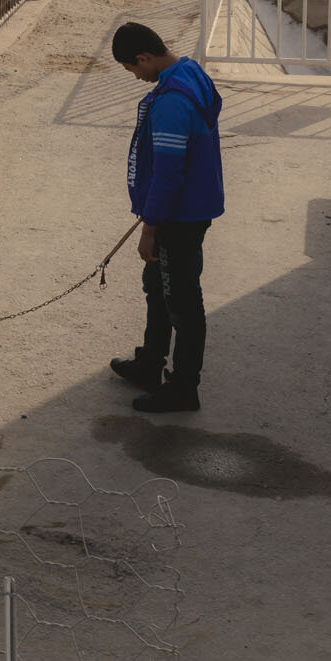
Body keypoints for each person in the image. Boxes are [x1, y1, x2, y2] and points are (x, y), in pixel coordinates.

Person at [110, 21, 223, 413]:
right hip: (187, 208)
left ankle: (182, 387)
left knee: (183, 302)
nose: (137, 77)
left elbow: (169, 171)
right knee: (158, 288)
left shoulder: (172, 101)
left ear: (144, 57)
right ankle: (149, 362)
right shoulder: (189, 70)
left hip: (179, 217)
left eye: (133, 69)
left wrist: (150, 227)